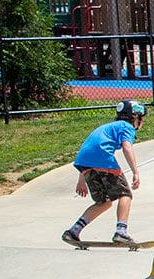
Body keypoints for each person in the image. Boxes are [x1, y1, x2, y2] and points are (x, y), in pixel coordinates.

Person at [63, 100, 147, 247]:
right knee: (125, 195)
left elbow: (90, 150)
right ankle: (121, 231)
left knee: (104, 202)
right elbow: (127, 148)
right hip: (103, 160)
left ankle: (73, 231)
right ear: (135, 117)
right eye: (142, 118)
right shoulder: (127, 127)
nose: (142, 122)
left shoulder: (106, 127)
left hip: (84, 163)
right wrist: (135, 172)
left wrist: (82, 178)